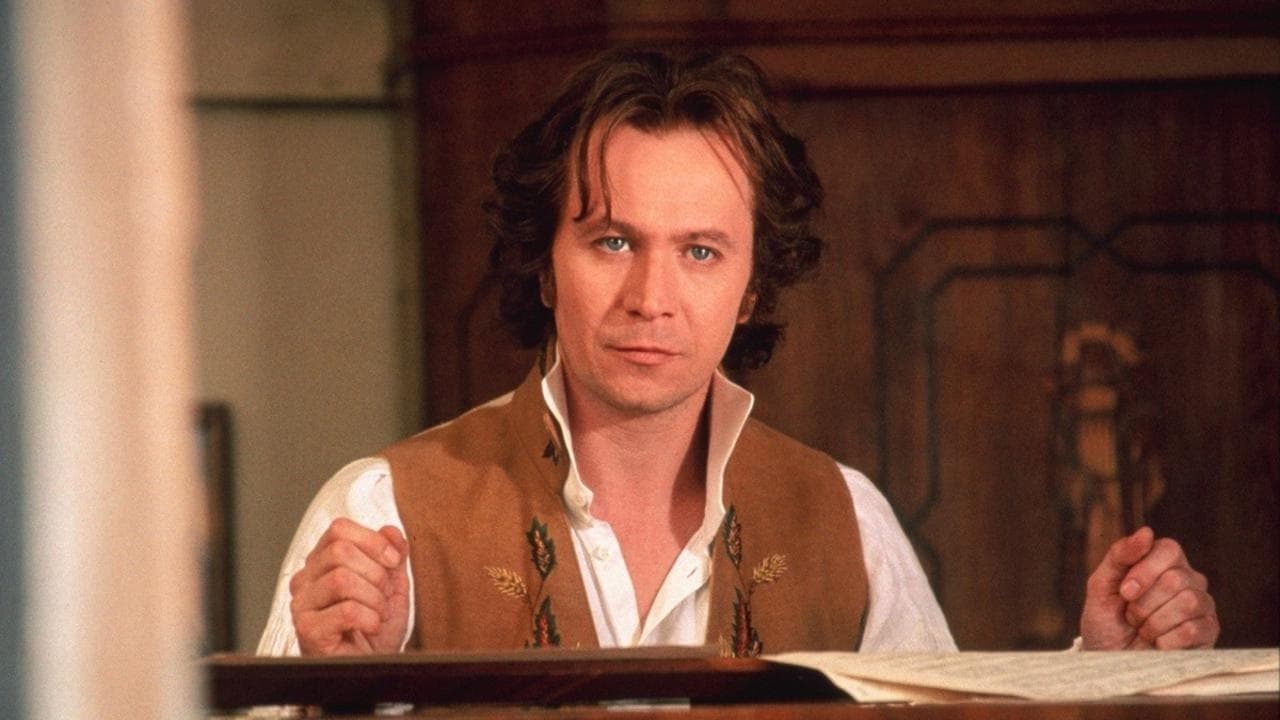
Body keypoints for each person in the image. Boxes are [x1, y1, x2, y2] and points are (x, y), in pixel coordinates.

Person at [258, 47, 1218, 657]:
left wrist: (1104, 672)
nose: (651, 298)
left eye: (701, 252)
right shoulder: (380, 512)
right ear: (544, 266)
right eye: (612, 241)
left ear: (754, 284)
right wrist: (338, 693)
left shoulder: (846, 519)